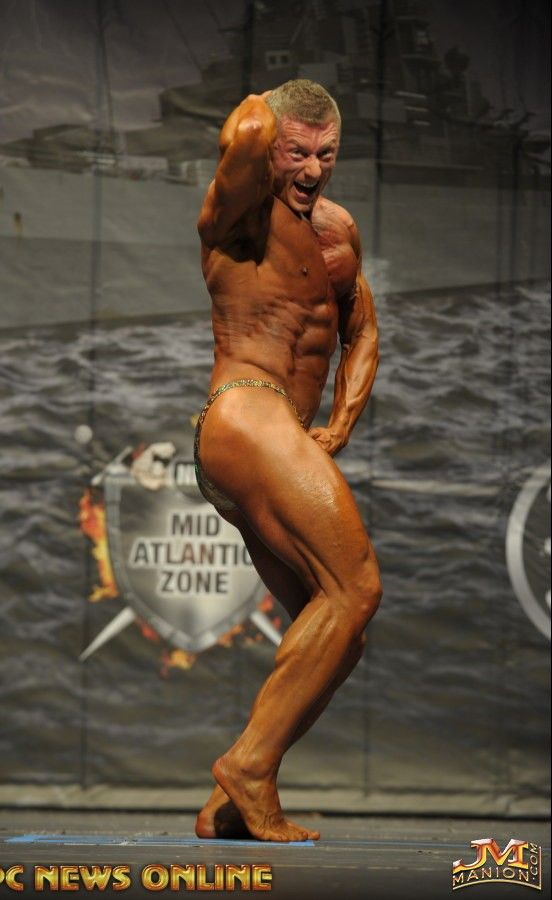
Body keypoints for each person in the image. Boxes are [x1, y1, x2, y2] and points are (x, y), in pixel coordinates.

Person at [193, 79, 382, 843]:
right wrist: (261, 105)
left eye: (325, 154)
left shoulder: (337, 231)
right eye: (296, 152)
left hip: (280, 436)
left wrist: (339, 425)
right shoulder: (239, 213)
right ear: (273, 145)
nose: (311, 169)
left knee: (339, 627)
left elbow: (361, 331)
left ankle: (230, 801)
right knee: (357, 587)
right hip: (247, 409)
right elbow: (243, 138)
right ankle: (249, 766)